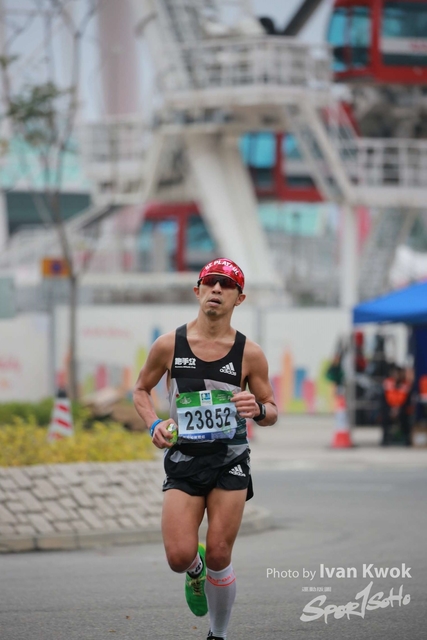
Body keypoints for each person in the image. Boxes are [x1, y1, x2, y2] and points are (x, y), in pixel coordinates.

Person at [133, 258, 278, 640]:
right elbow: (141, 390)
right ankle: (194, 572)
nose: (217, 289)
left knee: (219, 552)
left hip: (230, 458)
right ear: (197, 290)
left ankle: (218, 634)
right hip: (185, 457)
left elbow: (271, 409)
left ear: (239, 298)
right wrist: (154, 424)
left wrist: (258, 409)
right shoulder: (169, 345)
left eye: (226, 285)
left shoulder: (249, 353)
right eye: (210, 282)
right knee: (179, 557)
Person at [381, 365, 412, 446]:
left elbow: (405, 400)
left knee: (405, 416)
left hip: (401, 408)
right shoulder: (388, 383)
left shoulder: (406, 384)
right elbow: (387, 398)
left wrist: (397, 409)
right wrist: (392, 409)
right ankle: (385, 438)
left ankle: (407, 438)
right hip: (390, 408)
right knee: (385, 416)